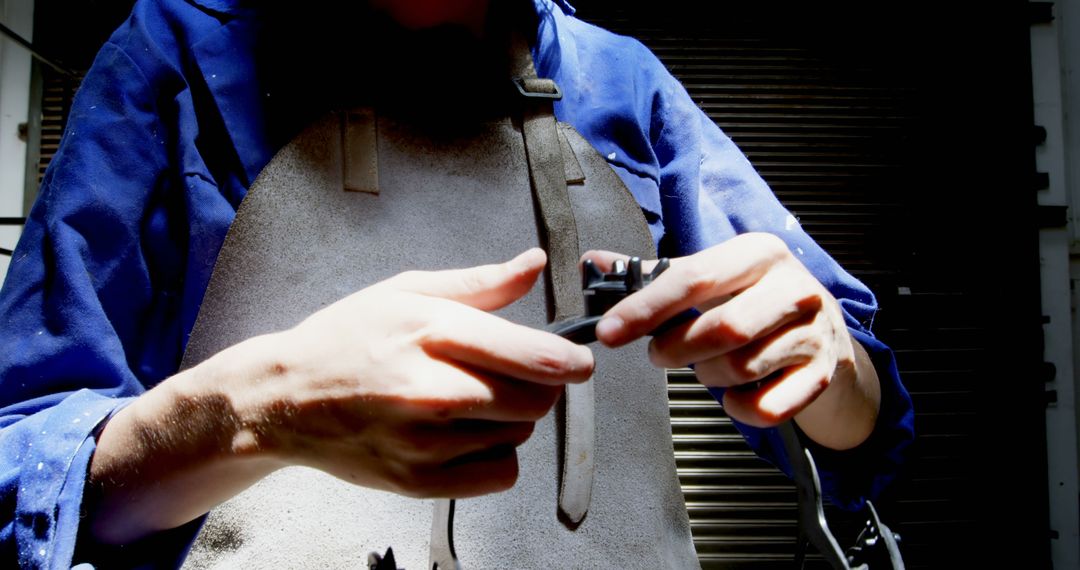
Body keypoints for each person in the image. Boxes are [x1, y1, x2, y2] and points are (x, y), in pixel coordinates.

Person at [0, 0, 914, 567]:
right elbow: (23, 468)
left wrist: (824, 367)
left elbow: (856, 434)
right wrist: (259, 411)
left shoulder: (618, 82)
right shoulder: (177, 57)